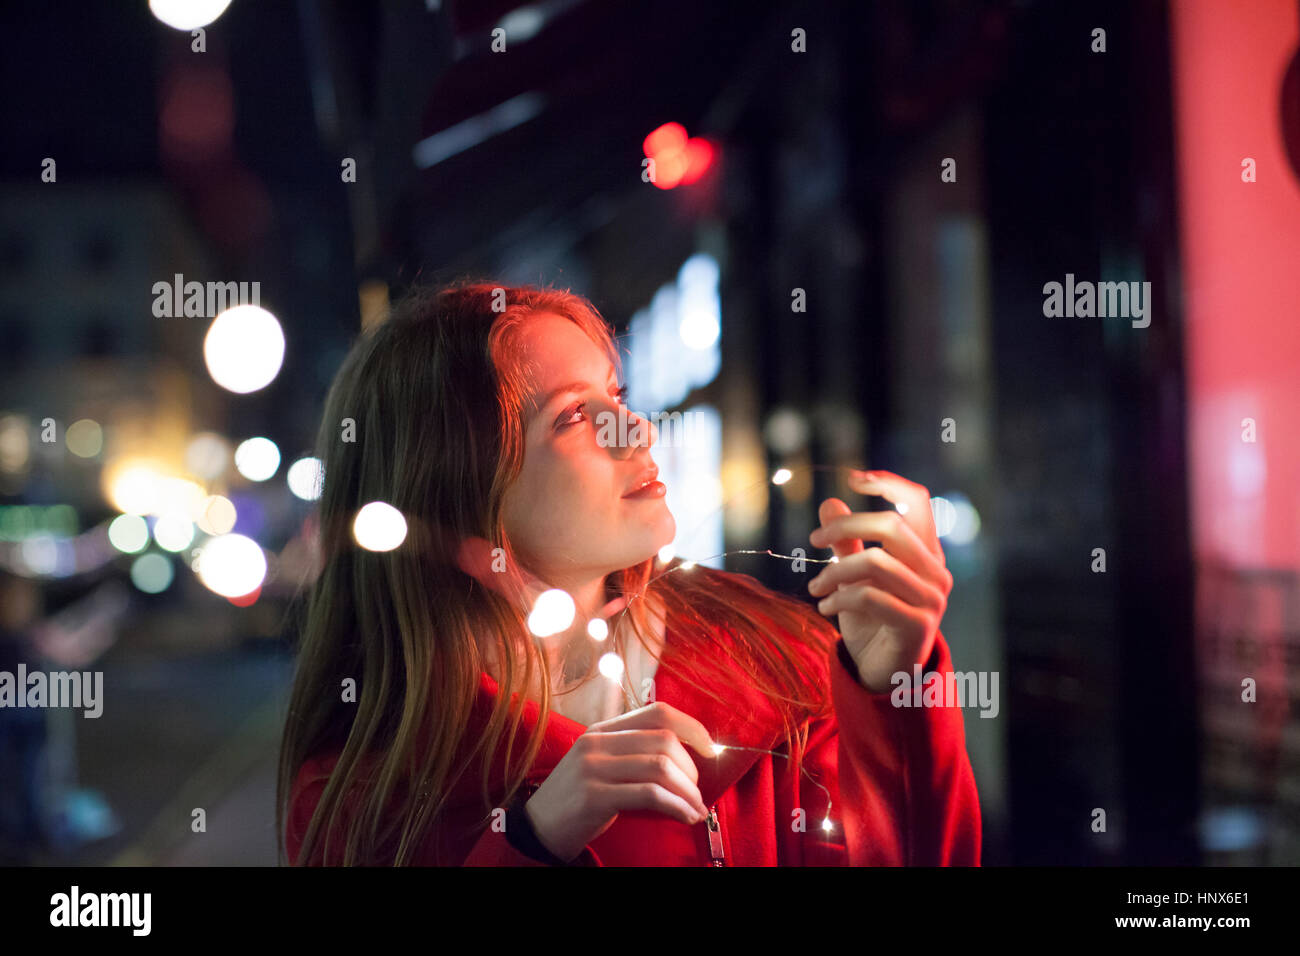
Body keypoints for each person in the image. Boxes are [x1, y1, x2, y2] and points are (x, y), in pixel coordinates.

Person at [278, 281, 981, 866]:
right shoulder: (367, 797)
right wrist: (534, 841)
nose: (638, 429)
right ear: (454, 486)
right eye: (578, 415)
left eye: (617, 393)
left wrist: (892, 690)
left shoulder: (774, 664)